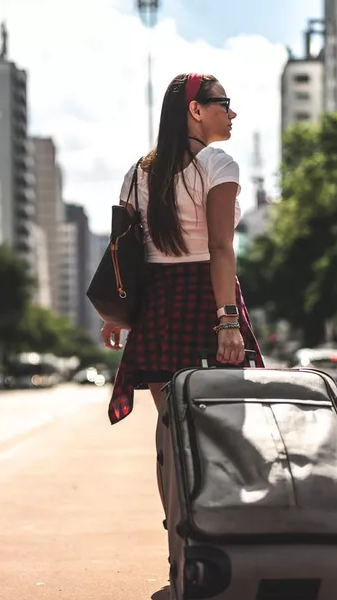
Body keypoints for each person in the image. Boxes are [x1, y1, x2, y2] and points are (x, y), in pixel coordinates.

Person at [102, 72, 264, 425]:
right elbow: (220, 248)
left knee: (172, 432)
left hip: (157, 306)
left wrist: (115, 315)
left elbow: (124, 251)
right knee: (227, 431)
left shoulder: (136, 174)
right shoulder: (218, 164)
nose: (231, 114)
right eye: (224, 104)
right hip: (207, 299)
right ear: (196, 109)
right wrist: (228, 322)